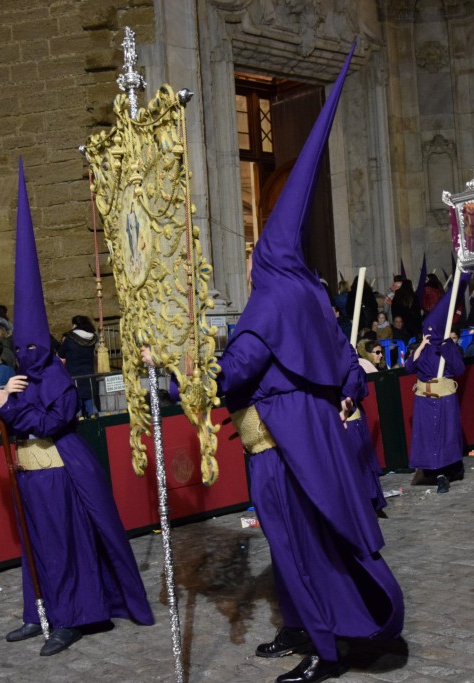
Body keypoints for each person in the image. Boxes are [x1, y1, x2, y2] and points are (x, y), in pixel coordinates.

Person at [162, 50, 402, 683]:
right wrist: (345, 394)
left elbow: (236, 373)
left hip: (280, 443)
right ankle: (307, 624)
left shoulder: (269, 299)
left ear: (262, 256)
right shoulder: (313, 295)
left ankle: (326, 648)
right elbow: (345, 367)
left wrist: (182, 370)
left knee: (297, 540)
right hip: (314, 433)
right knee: (310, 536)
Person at [0, 159, 154, 658]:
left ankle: (75, 616)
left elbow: (51, 421)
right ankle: (38, 610)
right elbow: (14, 423)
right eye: (25, 348)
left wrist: (12, 406)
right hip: (30, 473)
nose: (30, 355)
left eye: (34, 347)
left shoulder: (57, 376)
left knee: (67, 546)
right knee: (39, 549)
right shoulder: (17, 376)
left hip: (60, 471)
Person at [405, 277, 467, 494]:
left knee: (446, 434)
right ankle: (434, 472)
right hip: (424, 399)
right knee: (429, 436)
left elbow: (459, 369)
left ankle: (449, 471)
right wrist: (420, 346)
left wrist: (446, 346)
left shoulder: (447, 346)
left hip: (444, 398)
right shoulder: (421, 348)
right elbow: (409, 368)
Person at [57, 315, 98, 419]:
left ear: (75, 324)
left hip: (73, 374)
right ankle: (95, 421)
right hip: (89, 374)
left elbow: (61, 353)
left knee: (76, 402)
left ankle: (79, 420)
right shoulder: (92, 338)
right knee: (89, 400)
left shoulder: (70, 338)